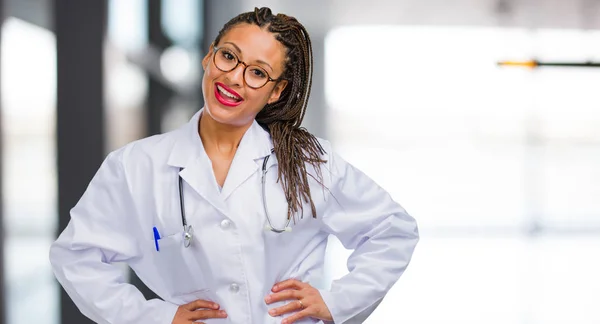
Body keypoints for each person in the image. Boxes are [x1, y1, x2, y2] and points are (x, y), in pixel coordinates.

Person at [49, 7, 419, 324]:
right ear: (209, 56)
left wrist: (336, 302)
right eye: (229, 56)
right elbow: (75, 256)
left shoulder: (306, 163)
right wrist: (155, 317)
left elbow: (392, 230)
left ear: (276, 91)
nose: (234, 78)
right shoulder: (135, 166)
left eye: (257, 72)